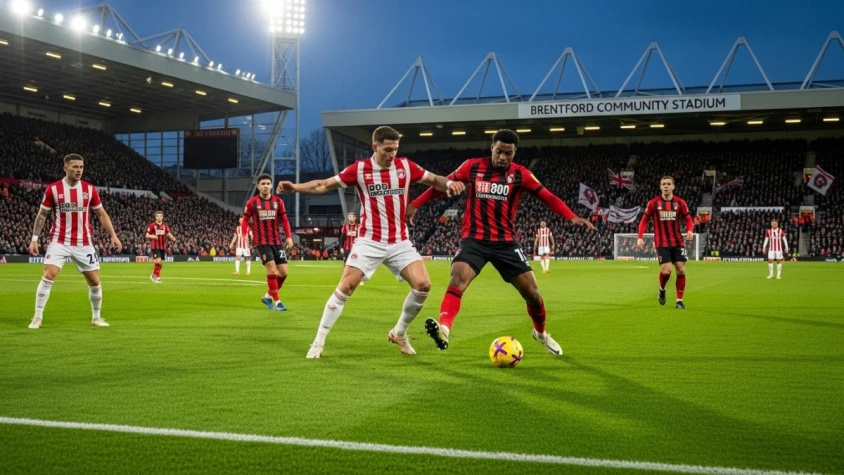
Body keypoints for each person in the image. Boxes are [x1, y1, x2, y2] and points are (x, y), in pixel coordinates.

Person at [277, 125, 463, 358]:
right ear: (374, 147)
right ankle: (318, 341)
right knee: (346, 286)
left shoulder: (406, 166)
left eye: (395, 149)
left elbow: (434, 179)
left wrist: (448, 184)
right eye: (387, 149)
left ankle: (399, 333)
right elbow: (324, 184)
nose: (392, 154)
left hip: (399, 241)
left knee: (423, 285)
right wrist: (295, 188)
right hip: (369, 240)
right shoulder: (360, 169)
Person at [408, 129, 595, 355]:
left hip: (506, 243)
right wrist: (415, 204)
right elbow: (442, 186)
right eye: (499, 151)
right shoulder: (472, 167)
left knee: (533, 295)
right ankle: (444, 330)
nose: (503, 157)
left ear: (514, 153)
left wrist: (571, 216)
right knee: (458, 277)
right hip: (474, 240)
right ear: (492, 148)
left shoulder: (521, 174)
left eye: (508, 153)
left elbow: (548, 197)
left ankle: (541, 334)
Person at [27, 153, 122, 329]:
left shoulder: (89, 189)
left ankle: (96, 317)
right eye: (75, 167)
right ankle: (37, 317)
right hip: (59, 241)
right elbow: (42, 215)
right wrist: (34, 239)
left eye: (81, 167)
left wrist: (113, 235)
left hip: (83, 242)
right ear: (65, 168)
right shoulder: (53, 189)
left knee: (94, 281)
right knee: (49, 275)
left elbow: (101, 214)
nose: (79, 170)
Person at [636, 176, 694, 309]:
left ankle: (679, 301)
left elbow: (688, 219)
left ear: (673, 186)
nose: (666, 186)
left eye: (669, 184)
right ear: (660, 187)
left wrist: (690, 230)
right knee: (667, 271)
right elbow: (644, 220)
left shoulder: (680, 202)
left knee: (681, 270)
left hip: (678, 242)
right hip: (661, 242)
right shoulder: (653, 203)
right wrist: (640, 237)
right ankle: (662, 289)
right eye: (664, 184)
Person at [242, 173, 294, 311]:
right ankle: (277, 302)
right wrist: (244, 234)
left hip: (277, 241)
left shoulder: (278, 202)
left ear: (271, 185)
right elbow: (245, 219)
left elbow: (284, 220)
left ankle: (267, 296)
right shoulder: (252, 202)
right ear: (258, 186)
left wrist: (289, 237)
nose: (265, 186)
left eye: (268, 183)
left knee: (283, 273)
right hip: (261, 241)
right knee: (272, 269)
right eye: (263, 184)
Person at [145, 210, 176, 283]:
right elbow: (147, 235)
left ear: (162, 217)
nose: (159, 217)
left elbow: (168, 233)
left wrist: (172, 237)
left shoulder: (165, 225)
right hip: (155, 246)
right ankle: (155, 276)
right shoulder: (152, 225)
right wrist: (153, 236)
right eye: (157, 216)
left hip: (163, 246)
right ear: (155, 217)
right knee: (158, 261)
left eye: (160, 216)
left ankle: (156, 276)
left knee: (160, 263)